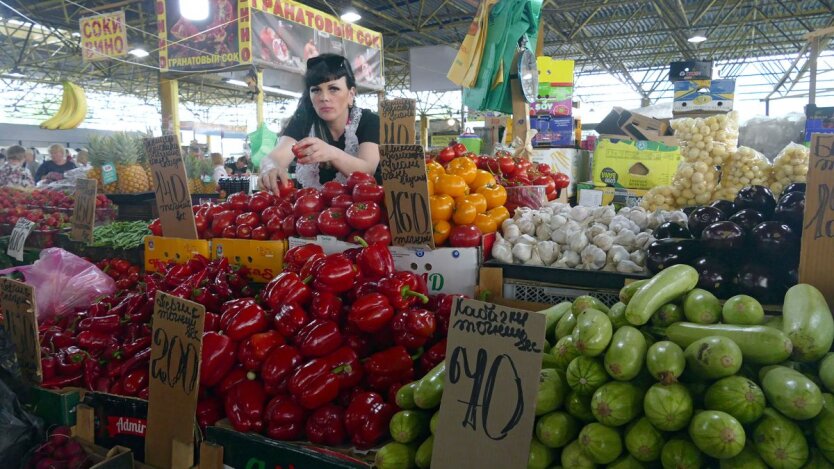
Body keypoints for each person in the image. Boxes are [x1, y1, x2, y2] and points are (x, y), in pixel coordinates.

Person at [259, 53, 380, 192]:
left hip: (360, 209)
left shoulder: (369, 121)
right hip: (311, 210)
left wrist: (332, 153)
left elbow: (367, 171)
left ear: (351, 94)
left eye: (333, 89)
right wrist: (270, 167)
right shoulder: (303, 121)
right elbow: (276, 156)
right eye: (316, 90)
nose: (324, 98)